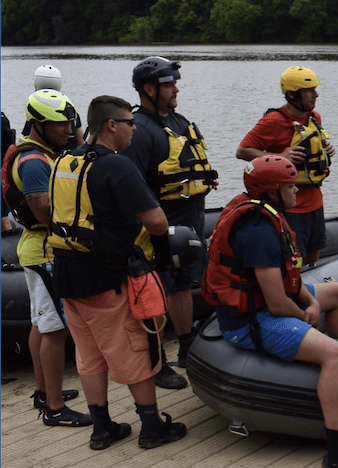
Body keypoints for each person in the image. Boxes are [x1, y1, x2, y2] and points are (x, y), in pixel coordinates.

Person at [202, 156, 338, 468]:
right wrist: (306, 313)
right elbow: (276, 303)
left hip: (263, 302)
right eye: (290, 186)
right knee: (334, 354)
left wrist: (310, 300)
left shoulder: (263, 211)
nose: (297, 190)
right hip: (250, 321)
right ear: (272, 192)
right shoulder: (258, 232)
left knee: (337, 292)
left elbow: (288, 278)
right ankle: (337, 453)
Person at [48, 95, 187, 450]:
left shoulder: (64, 160)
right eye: (130, 123)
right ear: (112, 125)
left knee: (89, 354)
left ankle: (102, 428)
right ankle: (153, 427)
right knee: (134, 348)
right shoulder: (117, 166)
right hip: (108, 277)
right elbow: (156, 222)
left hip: (67, 274)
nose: (133, 129)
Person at [121, 56, 218, 389]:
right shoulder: (139, 130)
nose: (176, 88)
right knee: (155, 291)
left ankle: (187, 344)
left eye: (175, 82)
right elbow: (130, 186)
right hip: (156, 227)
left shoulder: (179, 122)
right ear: (149, 89)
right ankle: (156, 358)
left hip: (188, 219)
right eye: (169, 83)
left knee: (181, 285)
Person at [1, 90, 89, 426]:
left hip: (34, 249)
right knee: (55, 330)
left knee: (41, 325)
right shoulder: (36, 161)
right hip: (45, 251)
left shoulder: (33, 152)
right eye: (61, 124)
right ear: (39, 124)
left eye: (70, 122)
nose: (69, 129)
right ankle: (54, 409)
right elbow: (41, 209)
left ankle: (42, 391)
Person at [237, 66, 336, 266]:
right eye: (310, 91)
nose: (315, 95)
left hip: (315, 200)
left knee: (312, 256)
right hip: (291, 206)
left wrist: (326, 148)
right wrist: (279, 156)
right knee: (292, 260)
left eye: (315, 89)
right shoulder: (273, 120)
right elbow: (243, 151)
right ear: (292, 94)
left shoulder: (313, 117)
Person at [30, 65, 86, 152]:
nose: (69, 131)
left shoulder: (37, 112)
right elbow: (81, 142)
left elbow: (28, 139)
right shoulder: (71, 112)